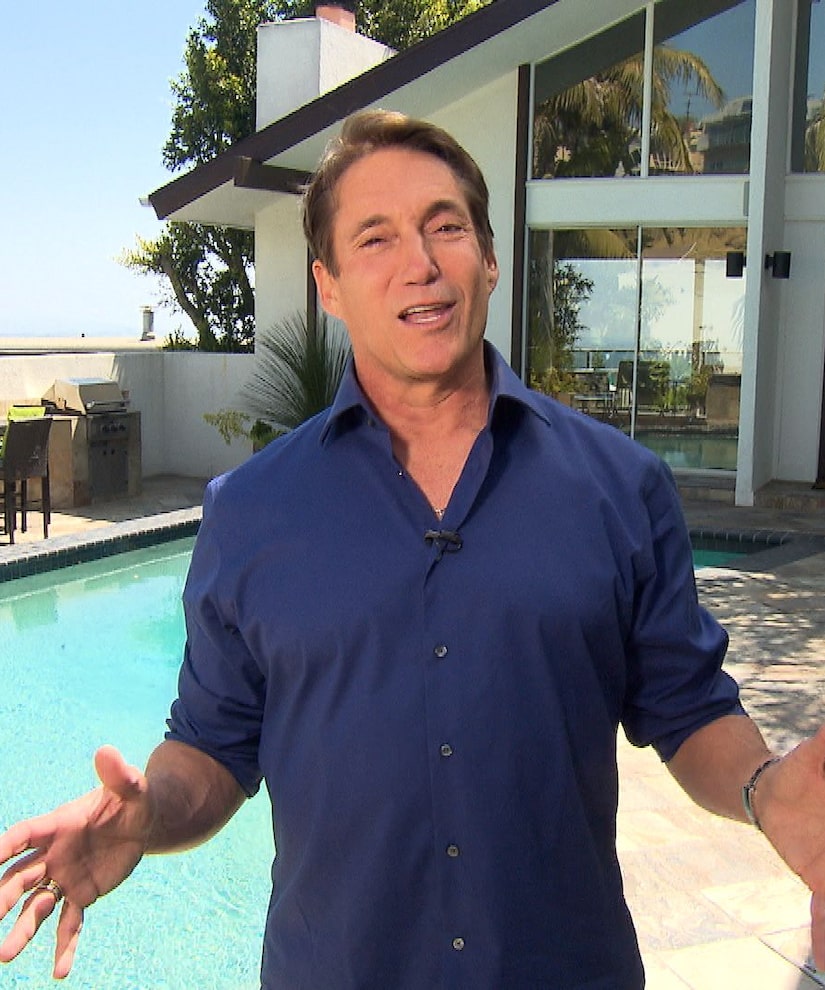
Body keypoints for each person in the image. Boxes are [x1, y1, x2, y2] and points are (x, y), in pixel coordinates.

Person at [1, 109, 825, 989]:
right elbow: (211, 744)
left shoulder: (620, 488)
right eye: (375, 238)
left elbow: (687, 709)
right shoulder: (250, 512)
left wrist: (761, 788)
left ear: (489, 258)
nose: (419, 263)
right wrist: (149, 814)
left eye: (445, 227)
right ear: (327, 284)